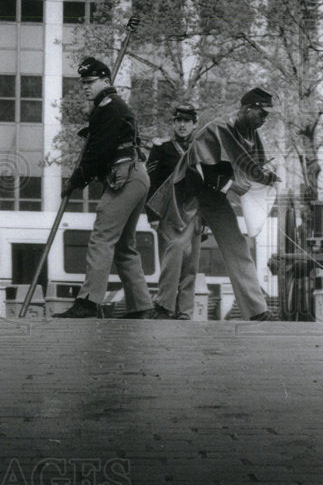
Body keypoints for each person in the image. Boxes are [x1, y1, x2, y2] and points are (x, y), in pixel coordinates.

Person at [148, 88, 280, 321]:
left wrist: (267, 174)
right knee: (177, 245)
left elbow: (256, 166)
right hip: (190, 195)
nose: (264, 119)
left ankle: (257, 311)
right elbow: (227, 168)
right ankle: (163, 306)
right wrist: (258, 177)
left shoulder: (251, 134)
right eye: (262, 113)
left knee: (238, 247)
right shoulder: (219, 128)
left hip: (214, 198)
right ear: (248, 109)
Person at [54, 57, 154, 319]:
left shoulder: (108, 108)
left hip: (126, 177)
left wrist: (76, 180)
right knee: (123, 245)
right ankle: (141, 306)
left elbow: (98, 152)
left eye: (90, 82)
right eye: (83, 82)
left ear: (106, 81)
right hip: (136, 175)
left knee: (102, 237)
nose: (85, 87)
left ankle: (88, 302)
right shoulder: (110, 107)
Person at [146, 105, 202, 320]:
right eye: (178, 120)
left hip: (195, 210)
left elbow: (207, 184)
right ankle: (164, 305)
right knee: (174, 253)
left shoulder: (201, 149)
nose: (182, 125)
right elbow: (151, 183)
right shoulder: (161, 149)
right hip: (169, 211)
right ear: (173, 123)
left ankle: (185, 311)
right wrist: (151, 215)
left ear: (194, 124)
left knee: (191, 263)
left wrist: (205, 218)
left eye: (187, 121)